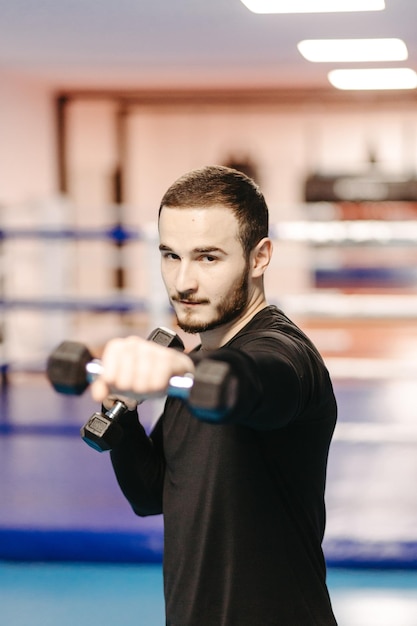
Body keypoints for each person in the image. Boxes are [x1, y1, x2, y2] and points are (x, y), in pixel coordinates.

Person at [91, 165, 338, 626]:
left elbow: (252, 380)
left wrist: (183, 367)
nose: (182, 282)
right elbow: (151, 494)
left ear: (260, 256)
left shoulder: (284, 355)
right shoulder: (198, 364)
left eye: (207, 258)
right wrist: (120, 413)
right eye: (170, 256)